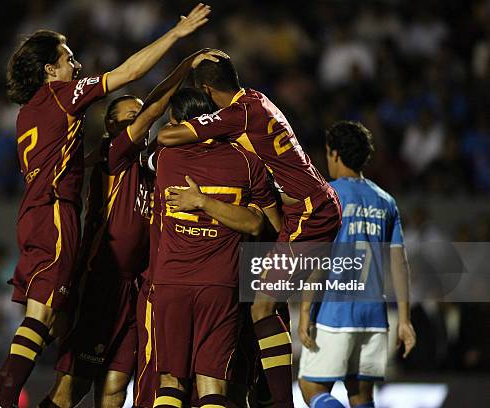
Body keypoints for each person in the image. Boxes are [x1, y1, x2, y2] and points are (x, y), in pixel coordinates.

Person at [0, 4, 211, 408]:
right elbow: (129, 74)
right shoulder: (62, 97)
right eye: (67, 59)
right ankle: (2, 394)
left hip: (37, 213)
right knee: (44, 315)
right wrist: (177, 36)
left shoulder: (29, 112)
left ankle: (1, 392)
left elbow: (70, 159)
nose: (76, 65)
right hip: (56, 214)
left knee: (44, 316)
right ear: (49, 70)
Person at [157, 56, 342, 408]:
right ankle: (269, 396)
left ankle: (281, 403)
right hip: (306, 208)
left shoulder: (238, 113)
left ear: (207, 90)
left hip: (308, 211)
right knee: (268, 303)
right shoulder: (257, 99)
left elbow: (169, 134)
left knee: (261, 307)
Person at [43, 50, 224, 408]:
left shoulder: (154, 164)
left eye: (140, 116)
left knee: (115, 387)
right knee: (72, 388)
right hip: (101, 281)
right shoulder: (114, 154)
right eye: (130, 117)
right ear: (112, 127)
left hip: (136, 289)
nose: (140, 122)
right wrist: (184, 67)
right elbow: (156, 110)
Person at [151, 87, 278, 408]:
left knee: (170, 381)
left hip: (171, 282)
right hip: (220, 286)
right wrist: (210, 202)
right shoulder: (246, 162)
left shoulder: (165, 158)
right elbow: (255, 224)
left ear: (177, 122)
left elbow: (156, 138)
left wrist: (199, 200)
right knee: (213, 384)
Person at [297, 121, 416, 408]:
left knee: (310, 387)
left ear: (334, 154)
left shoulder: (328, 195)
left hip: (335, 313)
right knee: (361, 396)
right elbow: (399, 263)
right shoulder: (385, 201)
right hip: (374, 316)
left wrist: (304, 310)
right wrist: (404, 320)